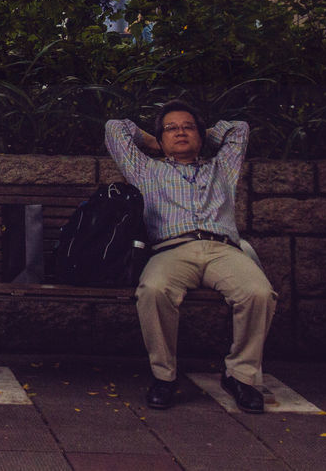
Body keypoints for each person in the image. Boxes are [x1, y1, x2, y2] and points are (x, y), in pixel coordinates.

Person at [104, 101, 275, 414]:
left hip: (222, 249)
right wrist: (154, 140)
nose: (180, 132)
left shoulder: (223, 167)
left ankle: (240, 375)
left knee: (259, 293)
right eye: (171, 128)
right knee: (153, 291)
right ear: (161, 139)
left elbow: (239, 128)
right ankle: (164, 376)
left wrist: (201, 134)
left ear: (200, 135)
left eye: (187, 127)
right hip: (172, 250)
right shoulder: (146, 170)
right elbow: (115, 127)